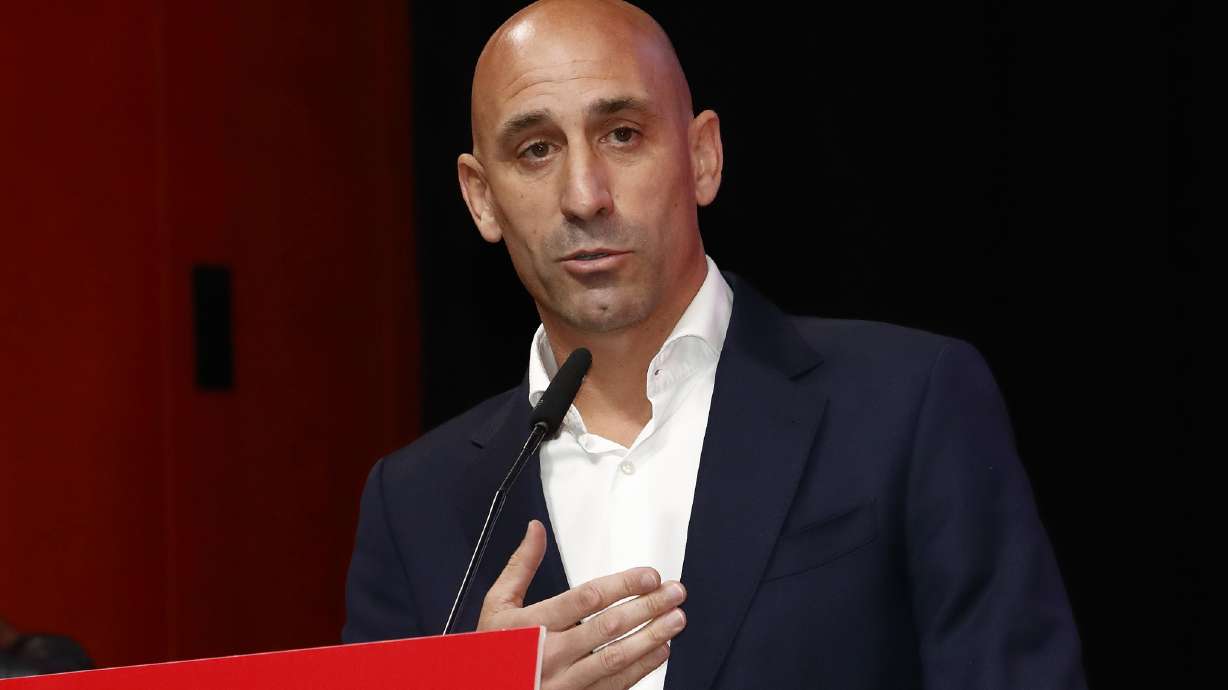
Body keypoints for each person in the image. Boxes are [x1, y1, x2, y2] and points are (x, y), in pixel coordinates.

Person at [342, 1, 1087, 688]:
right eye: (536, 150)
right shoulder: (415, 506)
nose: (584, 194)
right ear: (481, 197)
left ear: (702, 156)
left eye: (622, 134)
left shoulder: (909, 406)